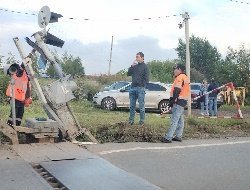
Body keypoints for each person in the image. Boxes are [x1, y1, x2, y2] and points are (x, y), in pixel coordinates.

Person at [162, 64, 190, 143]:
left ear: (179, 69)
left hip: (178, 101)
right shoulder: (185, 77)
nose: (174, 71)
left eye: (175, 69)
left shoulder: (180, 77)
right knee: (180, 120)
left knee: (174, 120)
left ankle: (168, 137)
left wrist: (172, 102)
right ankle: (178, 136)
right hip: (182, 101)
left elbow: (177, 90)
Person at [127, 52, 149, 126]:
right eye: (136, 57)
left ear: (142, 57)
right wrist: (132, 65)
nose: (136, 58)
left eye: (138, 57)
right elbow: (128, 73)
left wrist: (141, 85)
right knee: (132, 106)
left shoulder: (145, 67)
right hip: (132, 88)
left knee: (141, 106)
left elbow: (146, 79)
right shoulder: (134, 66)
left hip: (140, 88)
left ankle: (142, 121)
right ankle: (131, 121)